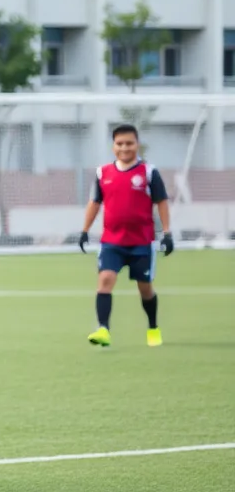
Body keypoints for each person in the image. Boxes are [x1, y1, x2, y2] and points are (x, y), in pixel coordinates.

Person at [78, 123, 173, 347]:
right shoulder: (103, 173)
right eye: (119, 144)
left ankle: (153, 328)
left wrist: (167, 233)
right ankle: (103, 329)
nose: (124, 148)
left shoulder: (149, 172)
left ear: (137, 144)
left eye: (129, 143)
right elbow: (94, 203)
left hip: (141, 242)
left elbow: (161, 202)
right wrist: (84, 230)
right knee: (105, 280)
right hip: (111, 242)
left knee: (145, 288)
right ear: (113, 146)